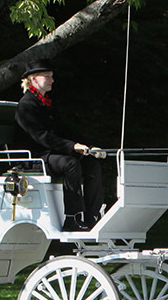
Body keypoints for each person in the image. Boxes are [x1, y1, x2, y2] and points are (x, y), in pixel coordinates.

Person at [15, 62, 105, 231]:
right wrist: (72, 147)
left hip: (50, 154)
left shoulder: (46, 104)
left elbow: (65, 130)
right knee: (71, 163)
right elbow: (42, 137)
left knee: (91, 163)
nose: (52, 80)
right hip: (34, 158)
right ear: (33, 79)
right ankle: (72, 218)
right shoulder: (26, 106)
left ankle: (93, 216)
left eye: (52, 76)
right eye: (47, 76)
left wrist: (88, 147)